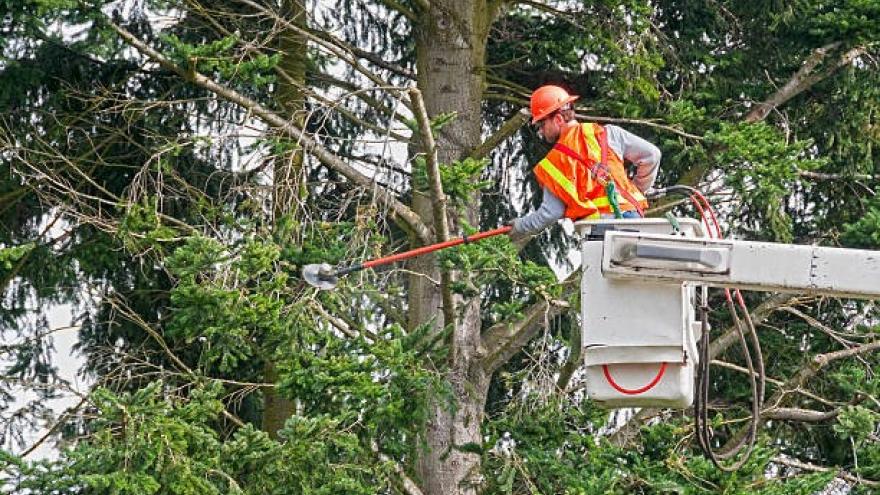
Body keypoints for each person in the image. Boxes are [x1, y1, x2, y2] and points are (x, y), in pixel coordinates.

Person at [508, 85, 661, 243]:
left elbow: (550, 212)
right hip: (634, 220)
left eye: (542, 125)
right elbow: (652, 155)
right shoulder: (608, 133)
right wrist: (639, 189)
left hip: (601, 231)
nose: (540, 132)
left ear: (559, 119)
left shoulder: (555, 162)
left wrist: (520, 226)